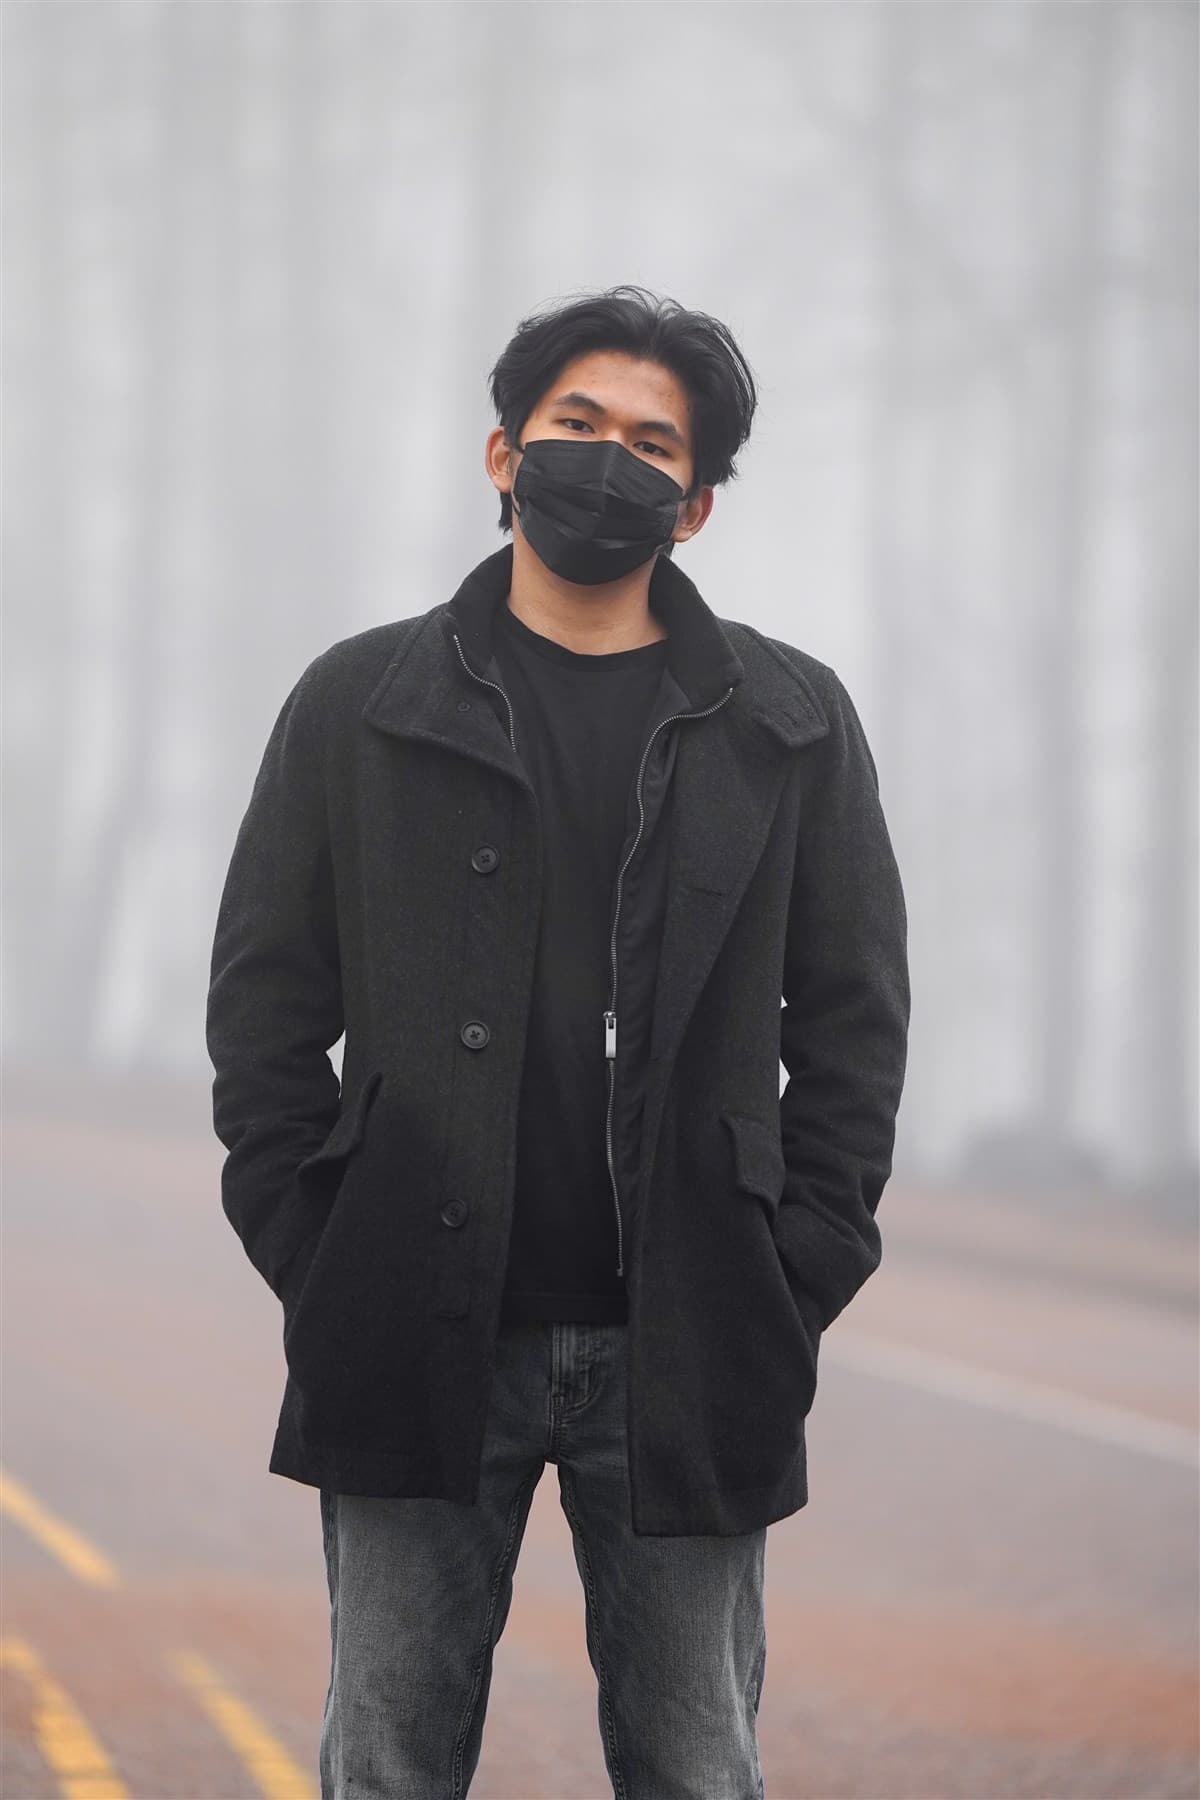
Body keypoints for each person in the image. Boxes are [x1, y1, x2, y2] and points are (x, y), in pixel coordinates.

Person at [206, 283, 911, 1799]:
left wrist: (801, 1264)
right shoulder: (359, 703)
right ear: (502, 452)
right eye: (577, 425)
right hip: (409, 1318)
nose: (609, 460)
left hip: (698, 1335)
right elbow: (266, 1003)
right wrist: (316, 1241)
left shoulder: (789, 724)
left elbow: (854, 1022)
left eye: (654, 443)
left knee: (697, 1768)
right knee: (387, 1765)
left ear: (700, 503)